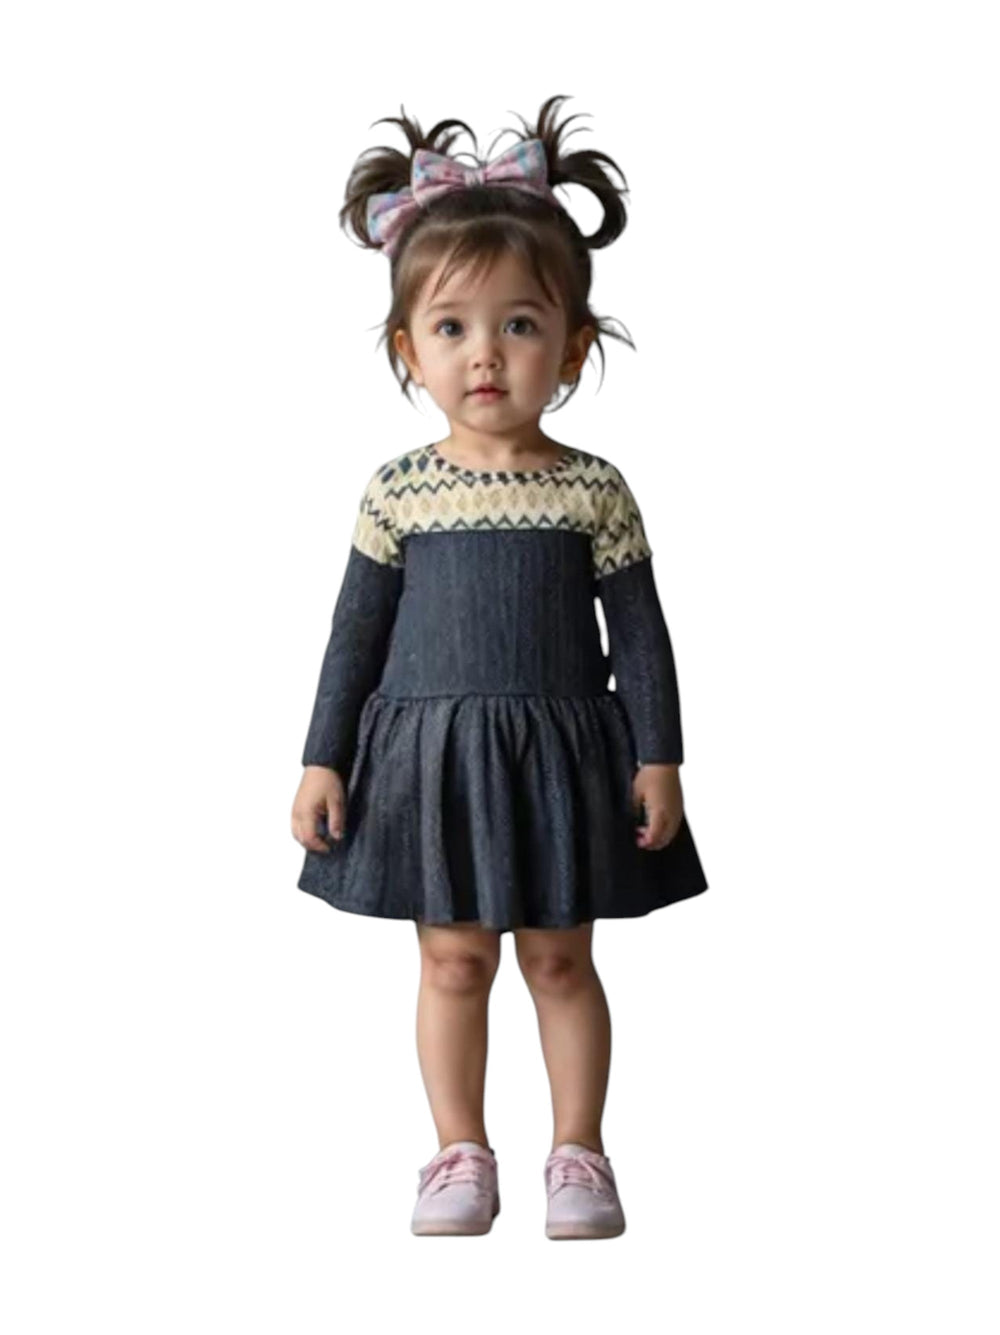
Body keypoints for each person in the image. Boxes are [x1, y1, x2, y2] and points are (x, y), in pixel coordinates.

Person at [290, 94, 709, 1240]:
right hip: (431, 758)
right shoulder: (398, 491)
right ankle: (456, 1153)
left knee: (561, 960)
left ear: (572, 345)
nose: (486, 353)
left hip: (564, 752)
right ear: (407, 350)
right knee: (453, 961)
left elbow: (642, 632)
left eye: (519, 325)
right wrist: (322, 760)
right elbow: (352, 637)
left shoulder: (593, 489)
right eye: (452, 327)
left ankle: (579, 1151)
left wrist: (659, 756)